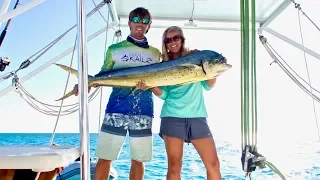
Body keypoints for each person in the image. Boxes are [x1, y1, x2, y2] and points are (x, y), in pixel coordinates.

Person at [73, 7, 161, 180]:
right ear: (129, 23)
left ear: (149, 26)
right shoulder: (114, 49)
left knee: (138, 160)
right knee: (105, 158)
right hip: (116, 110)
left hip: (143, 112)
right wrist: (85, 84)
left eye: (144, 21)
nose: (140, 24)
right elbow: (102, 75)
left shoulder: (155, 53)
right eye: (136, 20)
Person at [137, 26, 225, 180]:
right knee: (174, 167)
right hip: (172, 117)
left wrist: (213, 71)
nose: (172, 42)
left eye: (176, 38)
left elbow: (207, 86)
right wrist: (151, 86)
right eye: (168, 40)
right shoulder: (163, 65)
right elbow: (164, 95)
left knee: (213, 164)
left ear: (182, 39)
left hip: (197, 117)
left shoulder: (196, 57)